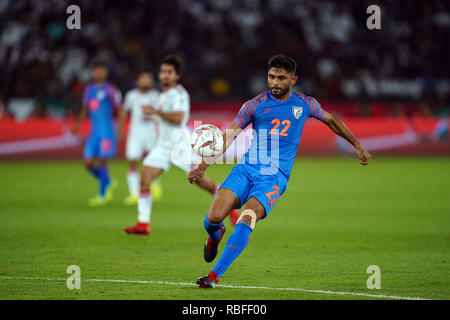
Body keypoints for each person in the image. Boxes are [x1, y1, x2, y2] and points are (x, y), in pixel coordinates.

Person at [188, 55, 372, 288]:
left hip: (274, 176)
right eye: (271, 77)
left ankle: (214, 275)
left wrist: (357, 145)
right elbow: (230, 136)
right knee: (213, 218)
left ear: (293, 79)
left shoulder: (305, 103)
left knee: (247, 217)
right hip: (246, 169)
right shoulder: (254, 105)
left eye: (281, 78)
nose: (275, 82)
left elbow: (332, 120)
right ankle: (215, 236)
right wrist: (203, 166)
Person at [123, 55, 239, 236]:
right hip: (162, 145)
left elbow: (178, 118)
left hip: (180, 145)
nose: (165, 75)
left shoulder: (179, 94)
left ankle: (230, 207)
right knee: (144, 180)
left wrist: (155, 111)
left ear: (177, 76)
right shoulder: (162, 95)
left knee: (201, 181)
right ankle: (143, 224)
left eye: (169, 72)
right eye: (163, 71)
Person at [71, 62, 122, 206]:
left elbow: (120, 110)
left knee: (102, 161)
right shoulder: (89, 90)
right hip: (94, 133)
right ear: (93, 72)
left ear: (105, 72)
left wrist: (120, 130)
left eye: (101, 70)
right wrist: (77, 125)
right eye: (96, 70)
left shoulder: (111, 90)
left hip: (107, 132)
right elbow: (84, 109)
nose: (98, 73)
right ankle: (108, 181)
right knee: (87, 163)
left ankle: (102, 195)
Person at [118, 72, 163, 206]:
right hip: (136, 133)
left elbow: (163, 113)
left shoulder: (156, 96)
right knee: (132, 161)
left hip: (151, 132)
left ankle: (155, 184)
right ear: (138, 80)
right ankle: (133, 193)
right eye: (142, 79)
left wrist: (152, 114)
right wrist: (120, 131)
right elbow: (124, 112)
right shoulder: (131, 95)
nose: (145, 81)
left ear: (151, 82)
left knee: (152, 160)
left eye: (147, 79)